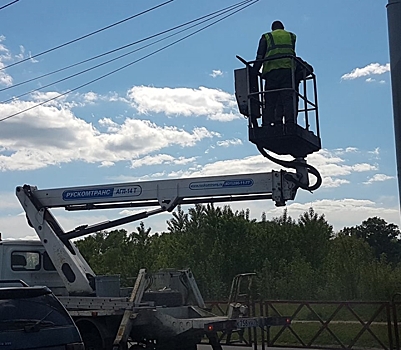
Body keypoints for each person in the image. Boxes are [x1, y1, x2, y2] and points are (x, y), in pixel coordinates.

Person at [253, 20, 296, 126]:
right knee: (287, 97)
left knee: (270, 98)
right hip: (287, 70)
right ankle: (290, 121)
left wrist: (254, 71)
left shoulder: (267, 36)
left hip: (272, 71)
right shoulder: (291, 36)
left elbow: (260, 56)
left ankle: (267, 122)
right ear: (283, 28)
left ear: (272, 28)